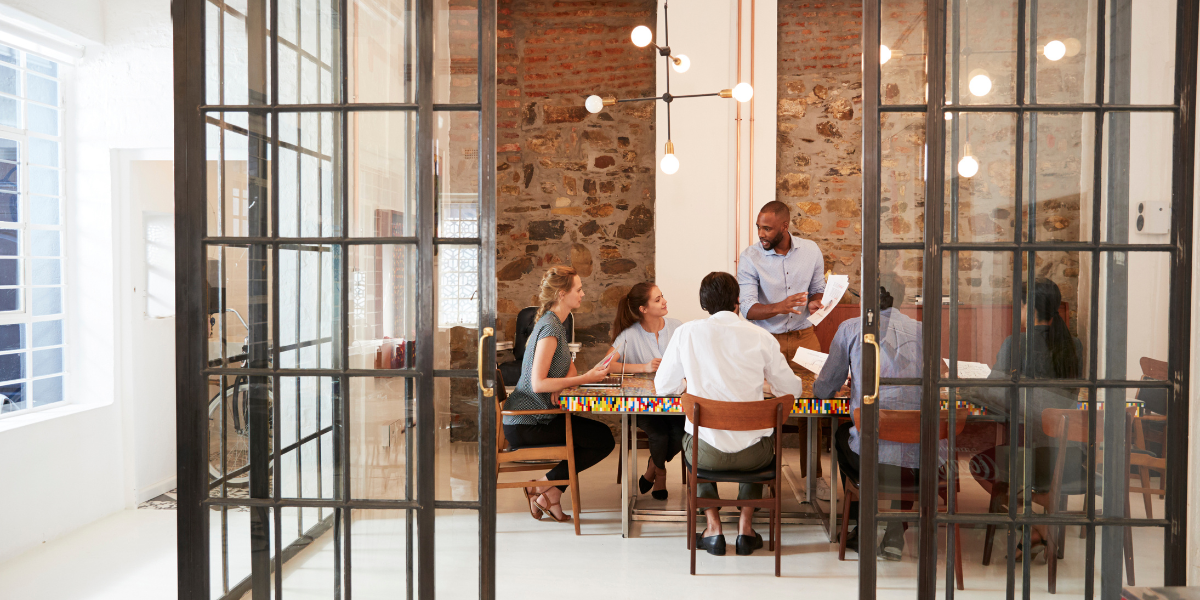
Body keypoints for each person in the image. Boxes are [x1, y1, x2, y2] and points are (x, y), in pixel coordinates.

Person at [655, 272, 803, 557]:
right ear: (737, 302)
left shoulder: (686, 333)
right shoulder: (761, 336)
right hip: (755, 457)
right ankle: (746, 529)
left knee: (696, 436)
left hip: (706, 453)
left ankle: (713, 528)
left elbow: (663, 387)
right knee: (756, 435)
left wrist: (688, 384)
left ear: (703, 303)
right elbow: (791, 389)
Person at [967, 277, 1083, 561]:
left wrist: (966, 386)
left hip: (1029, 455)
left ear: (1029, 309)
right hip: (1070, 457)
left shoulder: (1015, 344)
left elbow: (996, 394)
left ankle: (1035, 514)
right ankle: (1042, 522)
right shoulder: (1074, 346)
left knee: (979, 466)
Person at [814, 284, 924, 561]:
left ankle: (861, 523)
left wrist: (849, 384)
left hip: (873, 457)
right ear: (897, 300)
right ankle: (895, 534)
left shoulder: (851, 328)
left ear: (866, 303)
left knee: (843, 437)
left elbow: (824, 388)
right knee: (908, 440)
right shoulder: (921, 330)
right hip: (921, 461)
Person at [503, 265, 617, 523]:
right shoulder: (551, 328)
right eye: (578, 289)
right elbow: (538, 384)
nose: (583, 294)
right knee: (602, 439)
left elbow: (568, 368)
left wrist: (566, 383)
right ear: (562, 294)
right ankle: (542, 486)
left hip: (539, 416)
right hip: (527, 422)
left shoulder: (556, 324)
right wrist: (586, 379)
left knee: (599, 438)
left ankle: (549, 494)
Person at [737, 200, 829, 493]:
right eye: (759, 227)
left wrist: (817, 301)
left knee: (812, 404)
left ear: (785, 227)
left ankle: (813, 477)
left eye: (767, 228)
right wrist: (781, 306)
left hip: (805, 337)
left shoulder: (811, 251)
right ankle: (761, 475)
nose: (761, 233)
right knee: (763, 404)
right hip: (766, 342)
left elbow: (818, 288)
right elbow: (748, 309)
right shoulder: (750, 258)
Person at [608, 282, 685, 501]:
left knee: (680, 435)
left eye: (663, 296)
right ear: (643, 308)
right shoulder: (629, 335)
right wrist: (643, 367)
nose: (664, 301)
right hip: (643, 404)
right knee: (660, 437)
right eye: (658, 299)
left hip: (675, 402)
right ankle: (660, 476)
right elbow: (607, 365)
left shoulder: (677, 327)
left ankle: (653, 467)